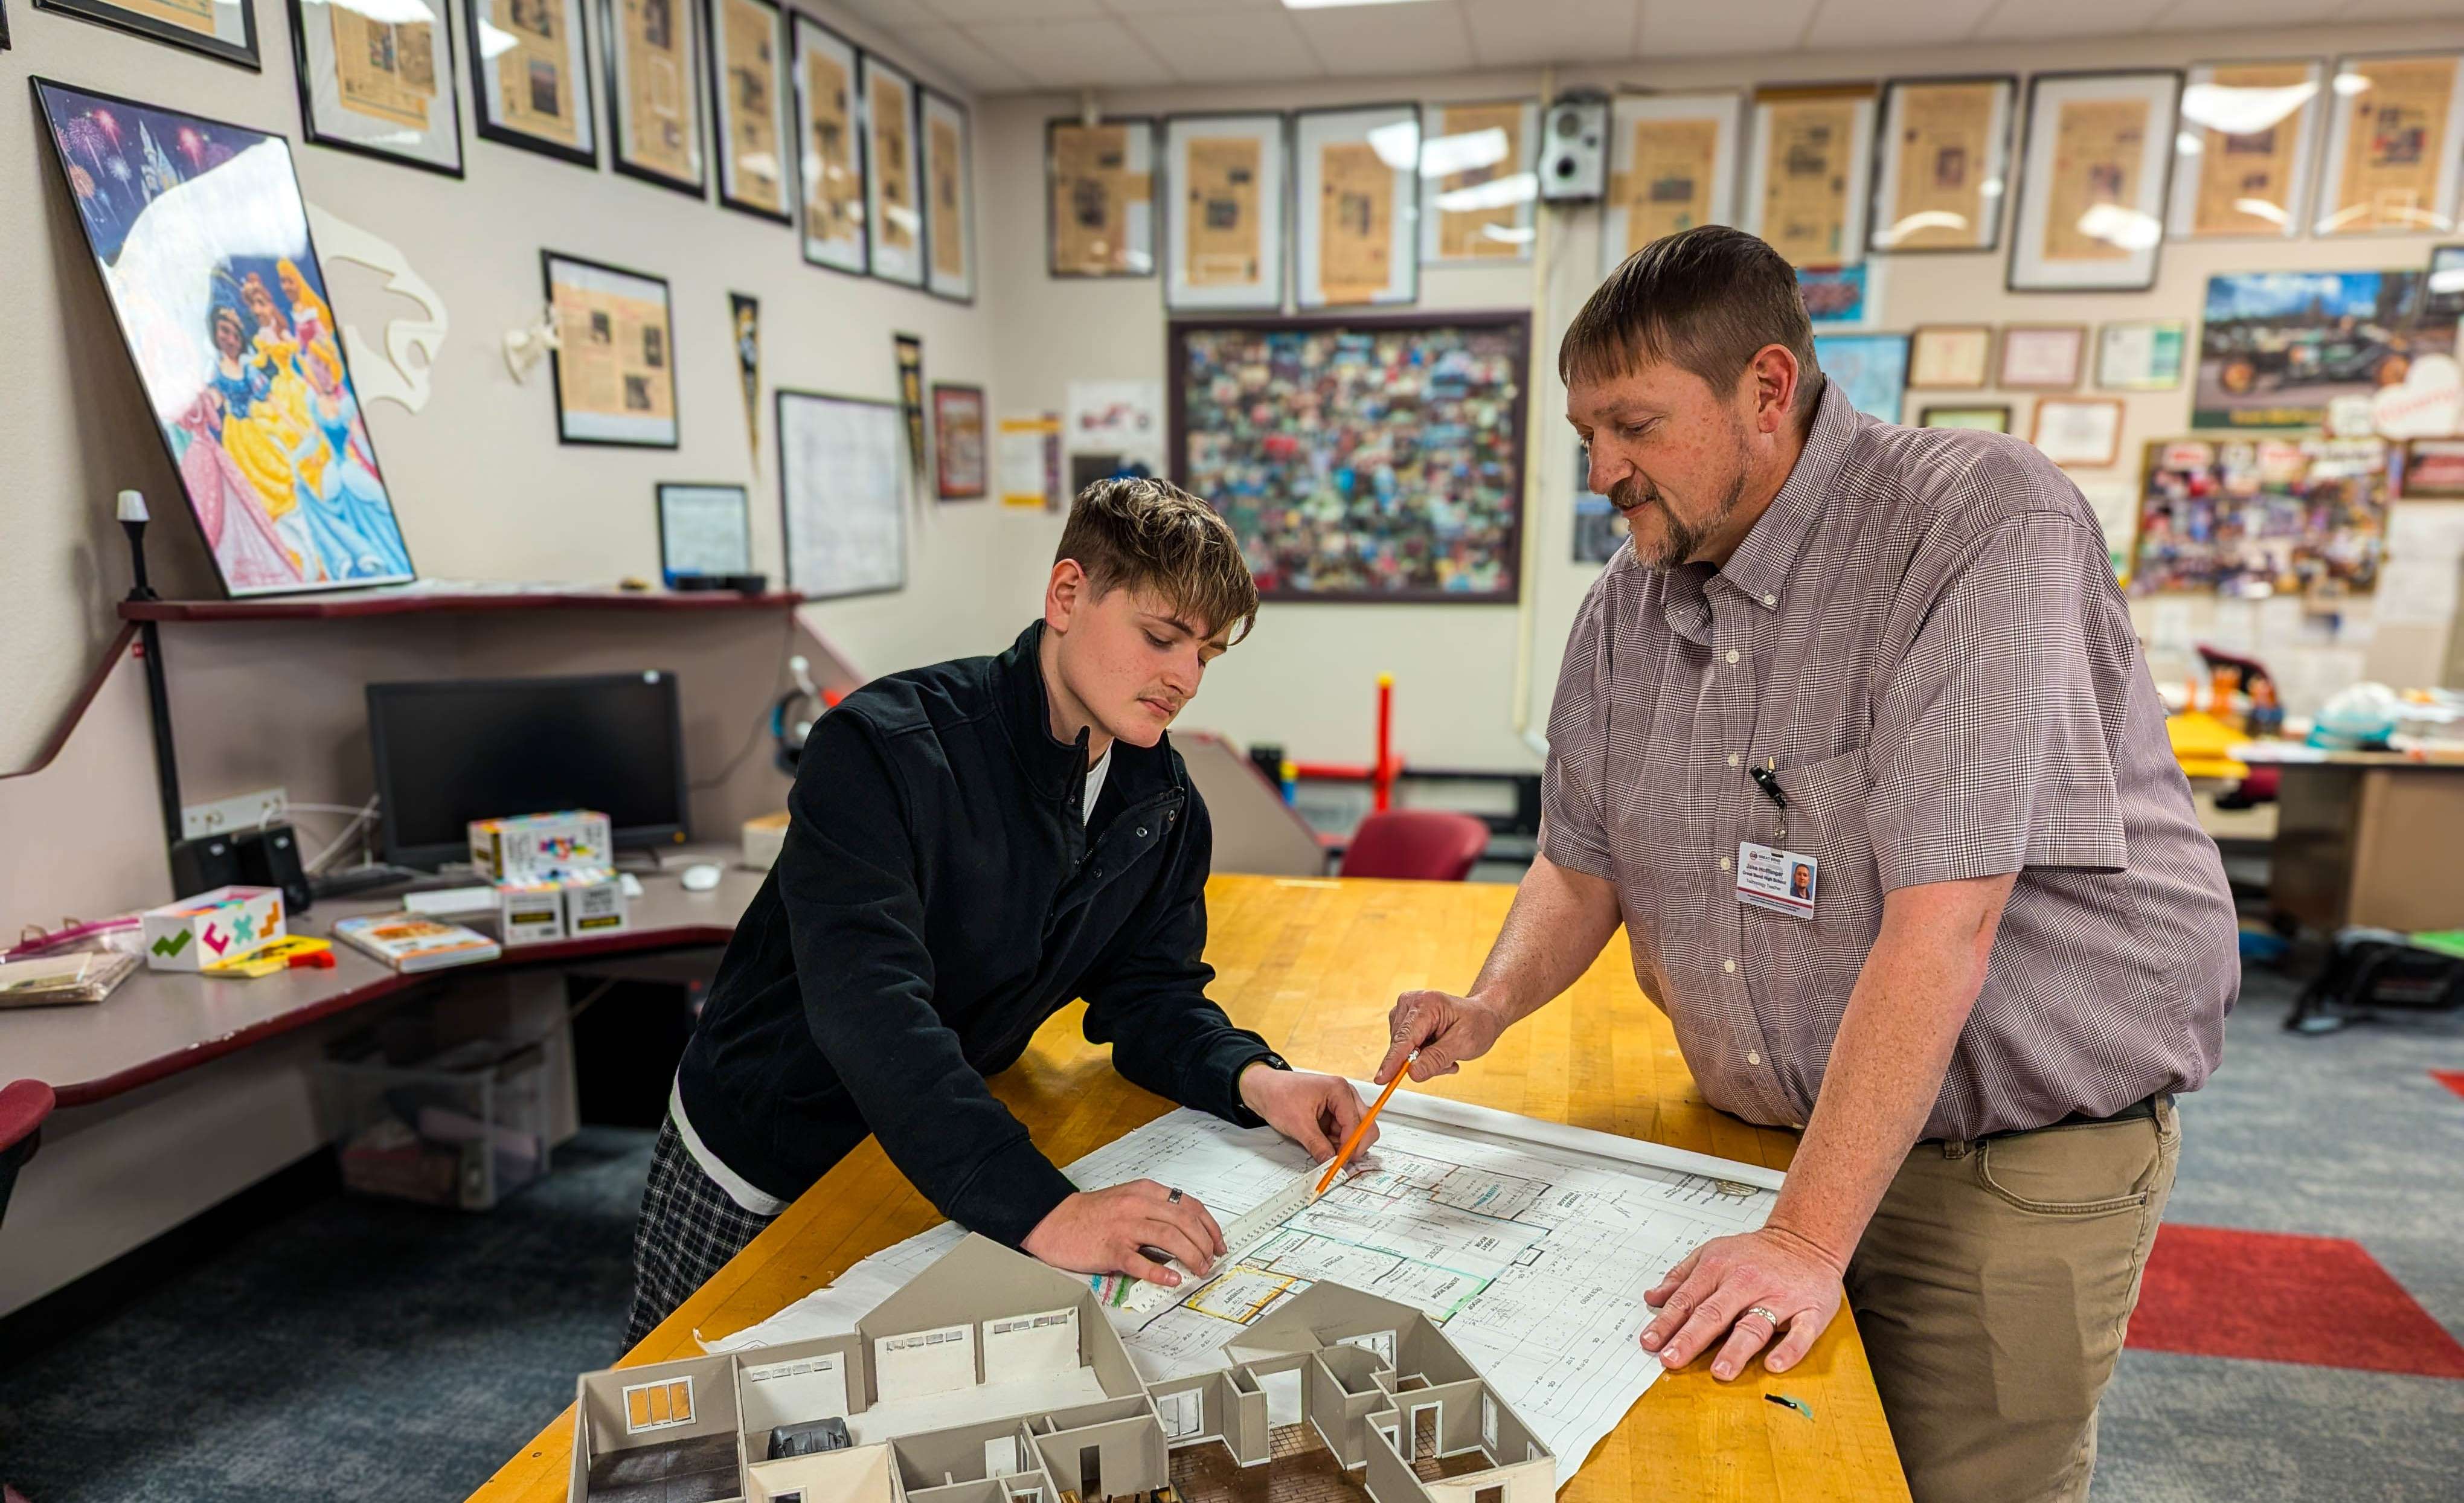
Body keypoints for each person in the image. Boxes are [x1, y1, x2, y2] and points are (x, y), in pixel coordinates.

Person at [1378, 226, 2236, 1503]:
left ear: (1767, 391)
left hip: (1994, 1163)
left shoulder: (1975, 521)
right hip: (1760, 1149)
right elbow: (1584, 861)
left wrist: (1801, 1237)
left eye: (1635, 427)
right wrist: (1491, 1004)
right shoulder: (1631, 602)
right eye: (1586, 437)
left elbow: (1943, 923)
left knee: (1960, 1486)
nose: (1603, 471)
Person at [629, 478, 1376, 1347]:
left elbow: (1152, 999)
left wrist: (1259, 1081)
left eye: (1205, 654)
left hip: (937, 1166)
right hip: (767, 1156)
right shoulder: (881, 752)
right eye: (1162, 636)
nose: (1185, 678)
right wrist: (1048, 1207)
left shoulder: (1161, 802)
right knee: (675, 1430)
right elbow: (872, 1014)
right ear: (1067, 596)